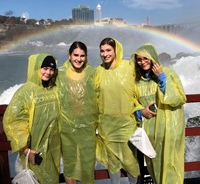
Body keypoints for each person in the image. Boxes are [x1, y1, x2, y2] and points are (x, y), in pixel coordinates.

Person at [130, 43, 186, 184]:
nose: (142, 62)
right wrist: (140, 111)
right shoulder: (136, 81)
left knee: (171, 167)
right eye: (139, 59)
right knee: (155, 168)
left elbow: (179, 98)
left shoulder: (167, 72)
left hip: (170, 131)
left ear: (152, 58)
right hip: (151, 133)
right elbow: (130, 102)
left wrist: (162, 79)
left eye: (145, 58)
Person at [3, 54, 61, 184]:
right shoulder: (25, 92)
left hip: (53, 151)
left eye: (52, 69)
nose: (48, 72)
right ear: (36, 68)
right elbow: (13, 121)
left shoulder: (54, 90)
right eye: (45, 68)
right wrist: (26, 150)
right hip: (33, 153)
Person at [95, 37, 140, 184]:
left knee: (130, 162)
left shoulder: (128, 67)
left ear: (116, 50)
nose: (105, 54)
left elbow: (140, 89)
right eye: (102, 51)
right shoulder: (98, 71)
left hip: (126, 125)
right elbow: (93, 97)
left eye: (108, 50)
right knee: (112, 162)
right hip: (106, 126)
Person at [57, 41, 97, 184]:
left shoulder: (92, 73)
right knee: (69, 165)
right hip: (67, 130)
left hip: (88, 129)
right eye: (75, 55)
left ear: (86, 57)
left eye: (82, 56)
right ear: (69, 55)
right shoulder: (59, 74)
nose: (79, 59)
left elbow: (100, 97)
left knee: (88, 166)